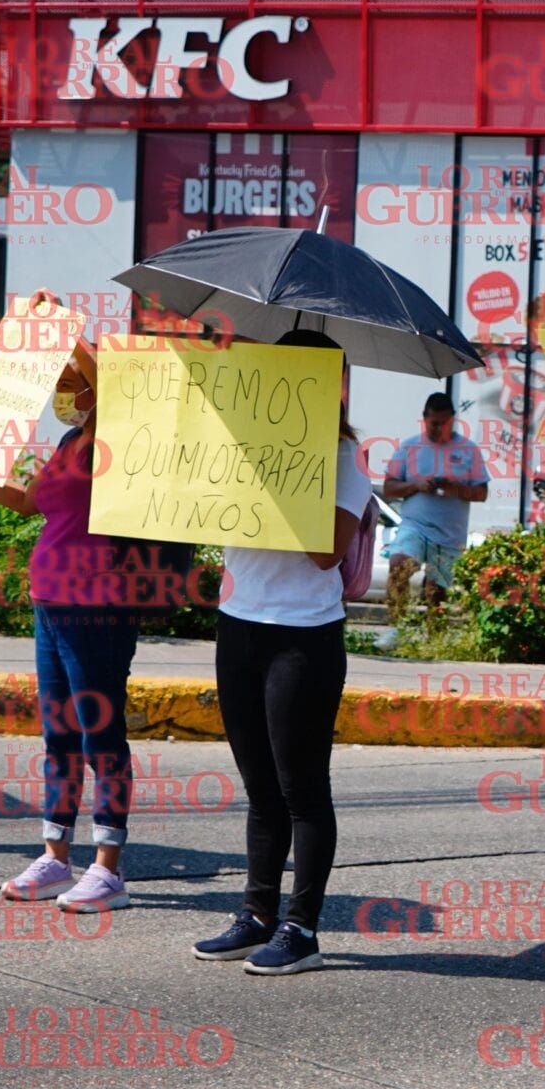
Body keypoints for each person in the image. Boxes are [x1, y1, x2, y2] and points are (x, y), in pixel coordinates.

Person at [191, 329, 375, 975]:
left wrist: (278, 482)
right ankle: (256, 914)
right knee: (259, 788)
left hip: (304, 635)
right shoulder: (243, 439)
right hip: (237, 624)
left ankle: (302, 927)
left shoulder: (348, 460)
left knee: (302, 789)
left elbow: (326, 549)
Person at [0, 344, 144, 914]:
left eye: (72, 378)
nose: (63, 388)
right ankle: (56, 856)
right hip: (49, 602)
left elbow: (116, 392)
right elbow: (28, 503)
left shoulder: (119, 436)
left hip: (97, 603)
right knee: (59, 735)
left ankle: (108, 868)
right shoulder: (69, 442)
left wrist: (68, 333)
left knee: (101, 736)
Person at [381, 392, 486, 613]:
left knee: (436, 591)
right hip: (415, 525)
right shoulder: (409, 447)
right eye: (434, 424)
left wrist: (454, 487)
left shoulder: (468, 450)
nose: (439, 429)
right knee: (399, 565)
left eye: (445, 424)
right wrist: (417, 485)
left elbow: (481, 493)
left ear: (453, 420)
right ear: (424, 419)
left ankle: (431, 638)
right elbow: (389, 489)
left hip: (449, 533)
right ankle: (396, 626)